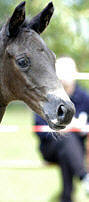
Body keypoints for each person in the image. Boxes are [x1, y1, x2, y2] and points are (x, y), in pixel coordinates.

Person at [34, 57, 89, 202]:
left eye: (68, 71)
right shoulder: (46, 97)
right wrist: (59, 128)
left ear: (75, 72)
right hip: (50, 146)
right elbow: (38, 129)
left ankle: (66, 197)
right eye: (60, 71)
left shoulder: (84, 97)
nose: (64, 75)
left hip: (76, 150)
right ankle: (84, 178)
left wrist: (80, 128)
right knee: (67, 139)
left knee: (67, 150)